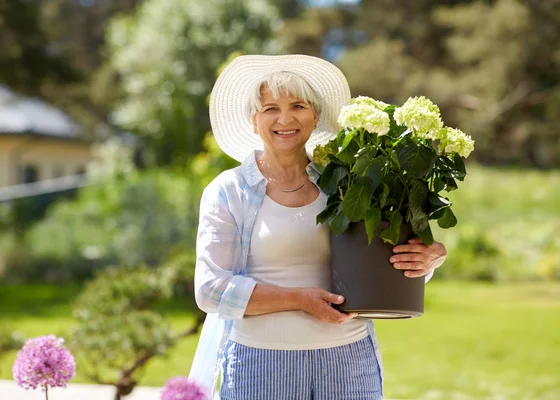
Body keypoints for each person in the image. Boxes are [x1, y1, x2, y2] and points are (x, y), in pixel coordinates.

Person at [189, 54, 447, 400]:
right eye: (270, 108)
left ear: (314, 117)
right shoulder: (228, 190)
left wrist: (428, 260)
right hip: (260, 364)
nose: (285, 119)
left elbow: (382, 262)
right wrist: (298, 299)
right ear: (254, 120)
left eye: (298, 106)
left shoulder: (348, 184)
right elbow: (211, 290)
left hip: (348, 361)